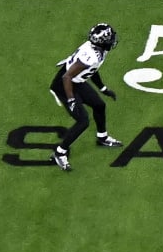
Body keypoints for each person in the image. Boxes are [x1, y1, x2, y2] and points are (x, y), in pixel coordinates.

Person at [50, 23, 123, 171]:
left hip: (76, 81)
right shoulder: (91, 55)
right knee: (82, 121)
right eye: (109, 38)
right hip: (65, 85)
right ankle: (60, 152)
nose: (112, 40)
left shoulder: (98, 51)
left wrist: (103, 88)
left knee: (99, 105)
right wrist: (71, 100)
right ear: (101, 42)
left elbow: (92, 69)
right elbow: (66, 77)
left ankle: (102, 137)